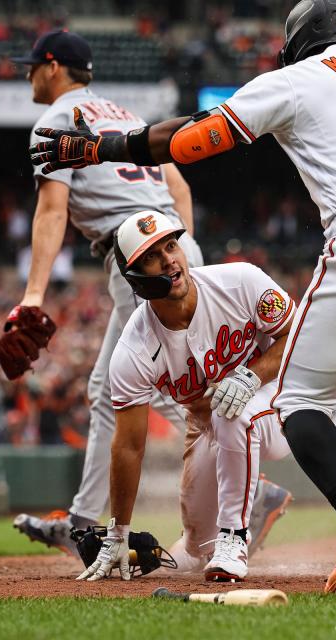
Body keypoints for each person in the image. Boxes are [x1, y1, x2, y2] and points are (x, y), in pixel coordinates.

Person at [29, 0, 336, 592]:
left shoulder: (298, 80)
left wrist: (99, 149)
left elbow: (189, 141)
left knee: (295, 400)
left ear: (298, 41)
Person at [6, 30, 291, 557]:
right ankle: (84, 519)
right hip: (176, 248)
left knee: (139, 385)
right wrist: (180, 249)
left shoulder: (54, 123)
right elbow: (177, 185)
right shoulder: (125, 115)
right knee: (108, 388)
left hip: (139, 261)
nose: (28, 74)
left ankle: (244, 483)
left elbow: (52, 212)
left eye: (32, 65)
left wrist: (34, 296)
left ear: (53, 67)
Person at [76, 211, 294, 582]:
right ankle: (240, 513)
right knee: (195, 547)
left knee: (229, 409)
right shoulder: (134, 350)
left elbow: (298, 335)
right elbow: (128, 445)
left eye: (171, 245)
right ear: (136, 279)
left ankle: (234, 536)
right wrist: (118, 533)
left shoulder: (240, 281)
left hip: (281, 398)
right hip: (211, 423)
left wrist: (250, 377)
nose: (169, 259)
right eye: (151, 255)